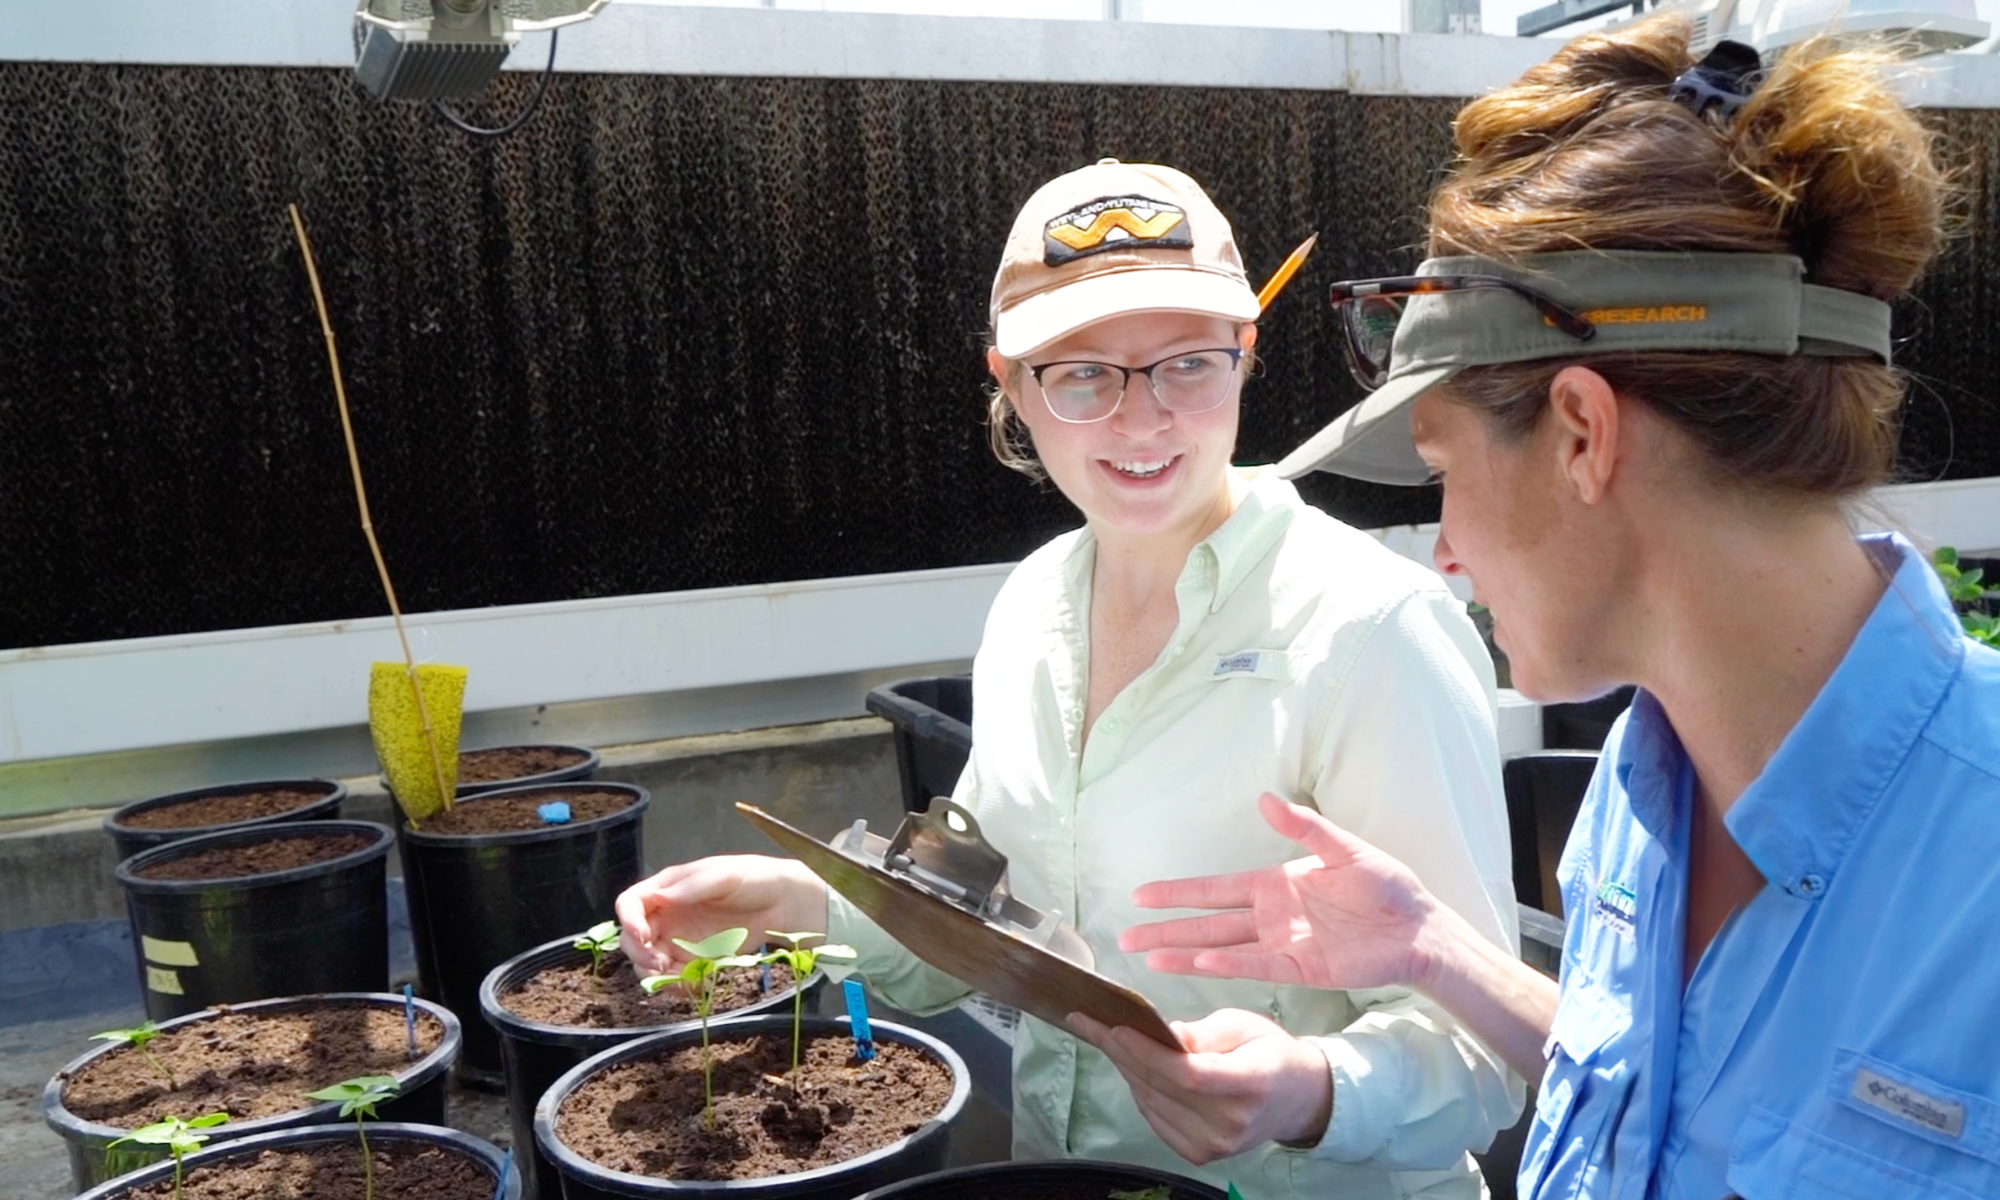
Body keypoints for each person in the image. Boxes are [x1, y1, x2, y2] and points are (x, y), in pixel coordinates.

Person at [1117, 16, 2000, 1200]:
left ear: (1580, 434)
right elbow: (1686, 1097)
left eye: (1443, 473)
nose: (1442, 552)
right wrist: (1431, 951)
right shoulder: (1646, 793)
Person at [617, 159, 1522, 1198]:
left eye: (1186, 363)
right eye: (1081, 373)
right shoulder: (1036, 601)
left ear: (1245, 356)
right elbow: (983, 921)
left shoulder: (1366, 629)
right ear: (1009, 384)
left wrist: (1311, 1091)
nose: (1140, 423)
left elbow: (1481, 1049)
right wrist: (800, 900)